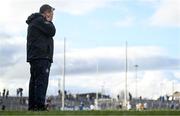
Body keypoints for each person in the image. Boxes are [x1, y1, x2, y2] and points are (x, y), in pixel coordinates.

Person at [26, 4, 56, 111]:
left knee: (34, 81)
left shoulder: (34, 22)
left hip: (35, 56)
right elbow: (52, 31)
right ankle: (39, 106)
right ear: (47, 12)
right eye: (51, 13)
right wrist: (49, 21)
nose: (52, 16)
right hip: (41, 56)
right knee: (41, 81)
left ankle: (33, 106)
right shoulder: (40, 21)